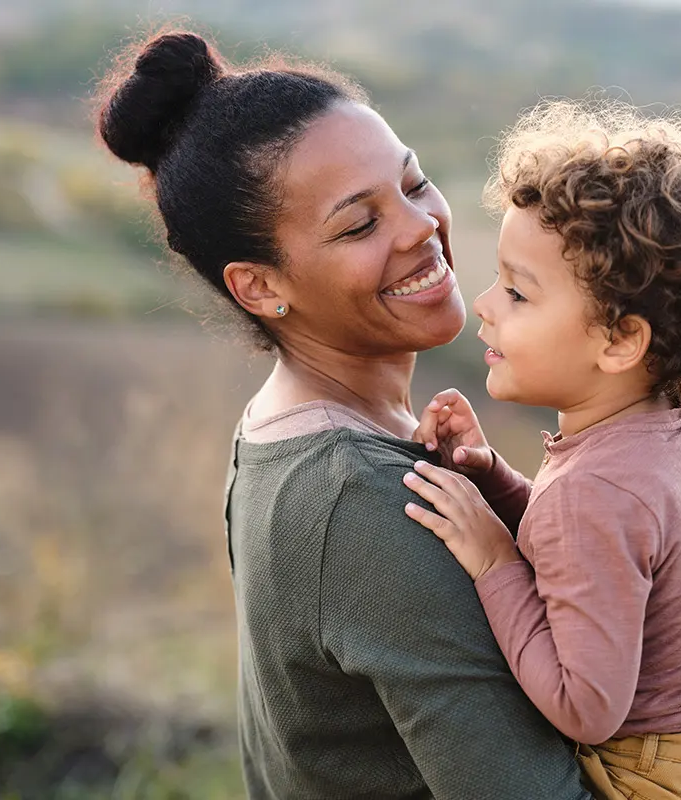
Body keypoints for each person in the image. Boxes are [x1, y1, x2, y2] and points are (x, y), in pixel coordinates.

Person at [94, 28, 590, 799]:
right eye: (359, 225)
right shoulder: (361, 501)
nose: (421, 226)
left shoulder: (280, 428)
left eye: (414, 183)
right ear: (260, 287)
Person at [402, 99, 681, 799]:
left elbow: (586, 707)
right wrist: (496, 483)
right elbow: (605, 555)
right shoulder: (673, 424)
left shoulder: (598, 492)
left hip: (653, 776)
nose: (484, 303)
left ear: (619, 340)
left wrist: (493, 560)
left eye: (518, 293)